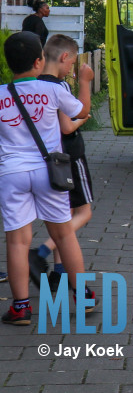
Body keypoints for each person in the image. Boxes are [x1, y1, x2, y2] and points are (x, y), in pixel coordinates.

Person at [0, 32, 95, 325]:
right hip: (48, 172)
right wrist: (85, 83)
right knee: (63, 234)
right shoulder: (51, 90)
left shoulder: (1, 93)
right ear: (39, 61)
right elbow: (82, 111)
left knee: (17, 241)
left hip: (12, 172)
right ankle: (82, 296)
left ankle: (21, 308)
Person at [28, 35, 96, 295]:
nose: (72, 68)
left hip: (46, 158)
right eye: (73, 62)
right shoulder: (59, 88)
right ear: (65, 57)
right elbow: (68, 125)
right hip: (71, 157)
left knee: (62, 213)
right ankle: (41, 252)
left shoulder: (34, 84)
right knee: (83, 213)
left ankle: (60, 273)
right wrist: (85, 85)